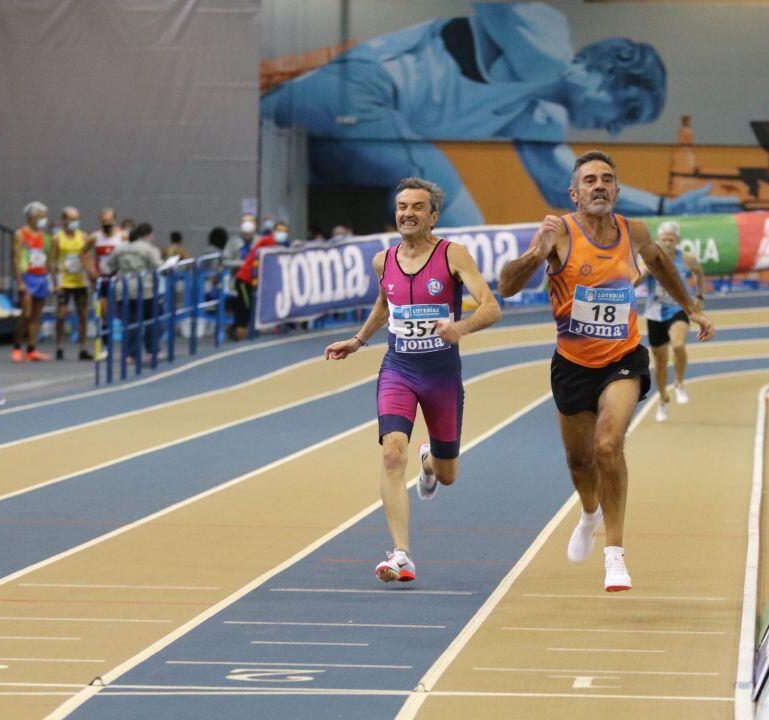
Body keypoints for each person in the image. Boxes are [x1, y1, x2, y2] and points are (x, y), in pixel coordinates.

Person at [261, 2, 740, 226]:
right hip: (352, 91)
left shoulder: (537, 117)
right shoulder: (547, 46)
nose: (616, 128)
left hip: (355, 134)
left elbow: (565, 188)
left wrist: (663, 206)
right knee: (432, 183)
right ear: (605, 72)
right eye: (625, 112)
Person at [498, 150, 714, 591]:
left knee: (609, 443)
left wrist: (690, 307)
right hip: (573, 364)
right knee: (580, 460)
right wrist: (537, 253)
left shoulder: (633, 231)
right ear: (574, 193)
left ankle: (615, 554)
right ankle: (589, 514)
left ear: (615, 190)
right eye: (590, 180)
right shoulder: (559, 233)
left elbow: (660, 264)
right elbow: (506, 285)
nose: (599, 186)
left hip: (622, 359)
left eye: (607, 179)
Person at [324, 177, 501, 584]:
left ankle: (430, 462)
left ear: (433, 216)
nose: (407, 213)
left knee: (449, 473)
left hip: (441, 377)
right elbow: (386, 304)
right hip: (398, 371)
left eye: (417, 207)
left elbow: (491, 308)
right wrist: (358, 340)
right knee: (391, 454)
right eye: (402, 206)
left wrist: (461, 327)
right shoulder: (383, 261)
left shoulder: (453, 255)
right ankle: (401, 554)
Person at [636, 221, 704, 422]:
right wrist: (645, 273)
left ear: (677, 241)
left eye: (671, 239)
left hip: (678, 309)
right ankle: (663, 399)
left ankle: (680, 383)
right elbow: (637, 280)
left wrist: (699, 297)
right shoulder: (649, 259)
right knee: (660, 364)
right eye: (663, 239)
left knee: (679, 345)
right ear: (658, 239)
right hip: (655, 313)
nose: (667, 242)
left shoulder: (687, 259)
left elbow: (699, 272)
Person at [106, 223, 163, 360]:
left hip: (123, 290)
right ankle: (151, 350)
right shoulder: (149, 249)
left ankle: (131, 354)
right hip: (145, 290)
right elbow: (159, 266)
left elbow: (109, 266)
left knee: (131, 323)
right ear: (148, 234)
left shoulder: (119, 248)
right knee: (151, 320)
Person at [50, 206, 96, 360]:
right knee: (61, 315)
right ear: (64, 220)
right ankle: (59, 346)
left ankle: (83, 348)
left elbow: (88, 258)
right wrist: (55, 283)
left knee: (82, 315)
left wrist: (91, 279)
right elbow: (52, 261)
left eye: (77, 219)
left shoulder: (83, 237)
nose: (75, 222)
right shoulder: (58, 238)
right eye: (72, 219)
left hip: (80, 281)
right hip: (65, 282)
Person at [11, 202, 53, 362]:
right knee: (27, 314)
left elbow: (48, 259)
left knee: (37, 315)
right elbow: (15, 257)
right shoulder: (20, 234)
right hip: (27, 277)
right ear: (32, 216)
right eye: (41, 216)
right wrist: (19, 281)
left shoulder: (44, 236)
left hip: (41, 276)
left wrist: (52, 280)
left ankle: (31, 349)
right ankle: (16, 345)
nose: (44, 219)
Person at [231, 218, 278, 340]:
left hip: (251, 281)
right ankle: (240, 333)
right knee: (246, 307)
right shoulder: (267, 241)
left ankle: (238, 330)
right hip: (243, 280)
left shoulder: (265, 241)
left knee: (245, 306)